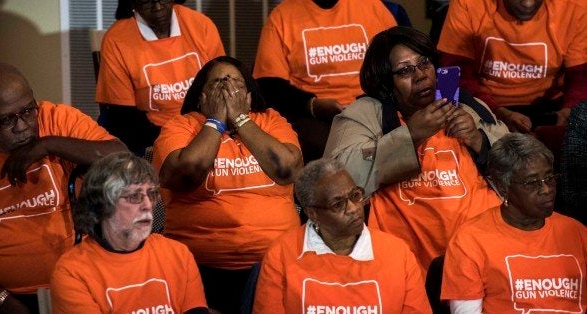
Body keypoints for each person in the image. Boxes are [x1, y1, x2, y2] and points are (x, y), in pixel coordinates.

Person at [324, 26, 509, 272]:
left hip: (482, 253)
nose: (421, 75)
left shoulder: (467, 105)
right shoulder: (364, 114)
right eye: (405, 71)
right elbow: (335, 180)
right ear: (386, 84)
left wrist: (478, 140)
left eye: (425, 64)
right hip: (404, 262)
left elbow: (520, 170)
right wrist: (411, 135)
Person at [0, 63, 127, 313]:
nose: (22, 126)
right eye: (6, 119)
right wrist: (1, 301)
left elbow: (122, 157)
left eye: (27, 111)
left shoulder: (56, 119)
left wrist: (49, 145)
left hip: (77, 282)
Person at [153, 56, 303, 313]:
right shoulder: (181, 126)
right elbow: (186, 174)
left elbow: (287, 169)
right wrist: (215, 122)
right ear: (201, 98)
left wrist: (241, 120)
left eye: (234, 82)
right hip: (199, 266)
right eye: (218, 83)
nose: (226, 88)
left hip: (274, 262)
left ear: (248, 97)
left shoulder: (270, 121)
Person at [253, 158, 431, 313]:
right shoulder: (282, 254)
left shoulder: (398, 253)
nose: (353, 208)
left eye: (355, 196)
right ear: (312, 213)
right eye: (338, 204)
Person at [441, 133, 586, 313]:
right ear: (503, 188)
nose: (547, 190)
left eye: (549, 178)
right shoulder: (470, 240)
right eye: (532, 183)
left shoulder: (577, 232)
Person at [50, 152, 208, 313]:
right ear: (102, 205)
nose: (147, 205)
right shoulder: (73, 272)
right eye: (134, 196)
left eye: (152, 194)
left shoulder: (177, 254)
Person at [253, 0, 397, 163]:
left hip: (372, 106)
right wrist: (312, 105)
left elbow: (396, 62)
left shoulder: (372, 7)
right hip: (312, 115)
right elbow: (268, 84)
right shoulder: (282, 16)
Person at [96, 0, 225, 155]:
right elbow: (123, 117)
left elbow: (222, 81)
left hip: (206, 125)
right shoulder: (116, 39)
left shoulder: (200, 24)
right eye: (146, 2)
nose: (157, 7)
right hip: (149, 134)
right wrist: (171, 140)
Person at [437, 0, 587, 132]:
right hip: (482, 105)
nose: (528, 3)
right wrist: (495, 112)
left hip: (551, 108)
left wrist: (570, 110)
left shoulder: (576, 6)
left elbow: (580, 77)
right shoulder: (468, 4)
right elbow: (452, 75)